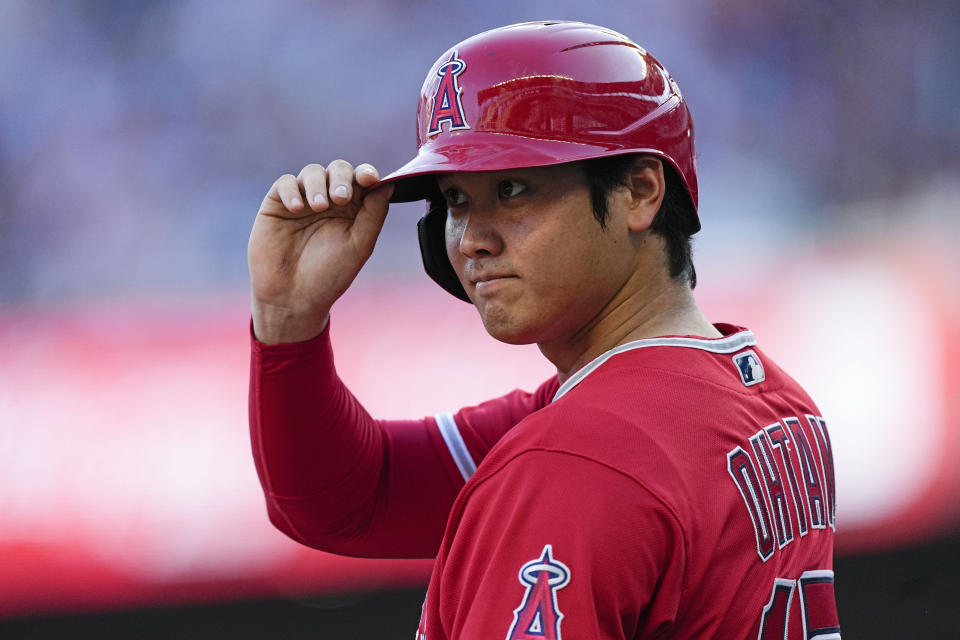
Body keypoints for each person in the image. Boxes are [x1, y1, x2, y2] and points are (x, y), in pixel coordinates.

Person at [247, 21, 841, 639]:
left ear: (639, 191)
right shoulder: (767, 397)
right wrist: (289, 322)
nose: (473, 238)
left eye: (512, 188)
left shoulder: (578, 460)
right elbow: (345, 502)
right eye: (455, 199)